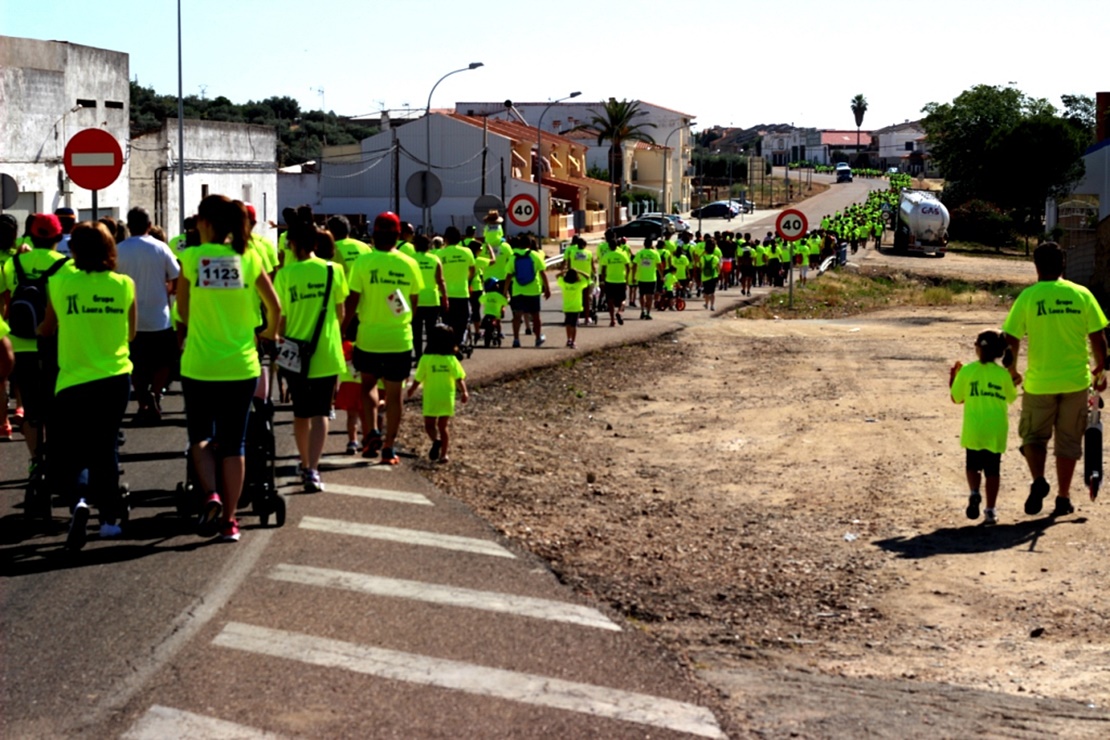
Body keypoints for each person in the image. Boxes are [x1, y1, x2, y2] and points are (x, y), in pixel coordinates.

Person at [177, 195, 281, 542]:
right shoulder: (249, 257)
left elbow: (183, 312)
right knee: (235, 443)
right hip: (241, 364)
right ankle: (230, 521)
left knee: (201, 436)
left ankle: (211, 496)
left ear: (206, 223)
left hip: (200, 364)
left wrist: (202, 325)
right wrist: (267, 333)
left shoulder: (191, 258)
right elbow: (275, 306)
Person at [40, 220, 136, 548]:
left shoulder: (61, 282)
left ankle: (78, 502)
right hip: (114, 377)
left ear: (74, 250)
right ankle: (108, 520)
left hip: (72, 380)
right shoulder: (124, 285)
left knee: (74, 449)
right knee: (105, 447)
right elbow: (132, 333)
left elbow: (48, 327)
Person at [1002, 242, 1108, 517]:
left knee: (1033, 437)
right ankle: (1063, 497)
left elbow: (1010, 340)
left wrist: (1012, 372)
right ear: (1064, 264)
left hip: (1040, 383)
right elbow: (1098, 338)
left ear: (1036, 266)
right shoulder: (1081, 294)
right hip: (1075, 382)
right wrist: (1101, 371)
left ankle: (1039, 481)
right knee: (1069, 442)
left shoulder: (1028, 297)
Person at [273, 210, 347, 492]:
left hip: (294, 353)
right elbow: (340, 313)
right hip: (326, 351)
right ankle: (313, 470)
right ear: (315, 243)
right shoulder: (333, 271)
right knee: (321, 413)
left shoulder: (286, 275)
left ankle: (304, 462)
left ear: (292, 245)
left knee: (300, 413)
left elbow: (281, 318)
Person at [342, 211, 423, 465]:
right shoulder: (409, 263)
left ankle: (370, 435)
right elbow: (413, 302)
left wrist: (343, 329)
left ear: (373, 236)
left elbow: (352, 302)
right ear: (398, 236)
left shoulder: (363, 263)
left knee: (367, 387)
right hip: (400, 338)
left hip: (369, 337)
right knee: (395, 393)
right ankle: (389, 448)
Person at [0, 214, 70, 463]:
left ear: (30, 236)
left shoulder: (13, 264)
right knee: (55, 409)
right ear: (58, 237)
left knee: (30, 411)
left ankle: (36, 461)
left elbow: (4, 302)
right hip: (54, 346)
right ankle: (56, 458)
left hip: (20, 344)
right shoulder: (67, 266)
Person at [115, 207, 180, 424]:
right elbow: (176, 276)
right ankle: (157, 393)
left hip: (129, 318)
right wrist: (169, 291)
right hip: (159, 316)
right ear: (149, 225)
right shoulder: (160, 247)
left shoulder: (119, 250)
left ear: (128, 225)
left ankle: (143, 400)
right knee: (164, 361)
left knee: (135, 363)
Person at [949, 331, 1018, 526]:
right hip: (996, 429)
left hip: (974, 427)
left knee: (972, 465)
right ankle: (990, 510)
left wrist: (955, 376)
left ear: (978, 348)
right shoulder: (1002, 374)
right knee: (993, 471)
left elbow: (956, 397)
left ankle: (974, 492)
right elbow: (1011, 397)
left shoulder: (967, 371)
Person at [407, 324, 468, 464]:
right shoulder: (451, 360)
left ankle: (436, 441)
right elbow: (459, 378)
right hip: (447, 396)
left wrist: (411, 390)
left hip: (431, 397)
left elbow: (418, 378)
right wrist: (464, 392)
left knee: (429, 425)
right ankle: (444, 455)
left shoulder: (426, 359)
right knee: (443, 426)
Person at [506, 235, 550, 348]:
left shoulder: (513, 257)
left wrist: (504, 291)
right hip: (533, 290)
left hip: (517, 290)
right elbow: (542, 273)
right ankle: (538, 338)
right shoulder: (535, 255)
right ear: (530, 245)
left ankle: (516, 339)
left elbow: (509, 275)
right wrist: (547, 288)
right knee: (535, 315)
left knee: (517, 316)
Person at [437, 226, 476, 350]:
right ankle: (458, 343)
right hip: (462, 293)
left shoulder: (440, 253)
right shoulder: (467, 252)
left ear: (446, 239)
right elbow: (473, 270)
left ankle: (450, 345)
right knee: (462, 321)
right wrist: (467, 281)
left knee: (447, 322)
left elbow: (436, 274)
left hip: (445, 294)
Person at [411, 234, 447, 363]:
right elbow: (440, 280)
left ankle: (419, 355)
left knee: (416, 331)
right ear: (429, 246)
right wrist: (445, 298)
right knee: (431, 330)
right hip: (432, 299)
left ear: (415, 246)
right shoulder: (435, 259)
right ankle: (428, 354)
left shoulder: (410, 259)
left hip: (415, 300)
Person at [599, 237, 630, 327]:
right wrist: (627, 278)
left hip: (609, 281)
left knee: (610, 301)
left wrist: (603, 281)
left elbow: (603, 270)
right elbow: (628, 267)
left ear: (609, 246)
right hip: (621, 280)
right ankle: (619, 312)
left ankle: (612, 320)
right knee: (623, 300)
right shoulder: (623, 254)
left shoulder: (606, 256)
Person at [556, 267, 589, 349]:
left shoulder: (564, 284)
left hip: (567, 307)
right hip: (576, 307)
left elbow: (557, 276)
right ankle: (573, 341)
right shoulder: (579, 285)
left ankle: (569, 339)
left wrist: (565, 271)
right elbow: (588, 277)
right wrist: (578, 271)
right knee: (574, 325)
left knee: (568, 324)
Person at [635, 238, 662, 320]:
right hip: (651, 278)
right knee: (649, 296)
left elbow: (634, 264)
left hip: (641, 277)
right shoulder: (655, 253)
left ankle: (643, 310)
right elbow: (659, 266)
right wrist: (661, 276)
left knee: (642, 295)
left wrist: (633, 275)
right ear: (651, 245)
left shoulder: (640, 253)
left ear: (644, 244)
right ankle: (647, 312)